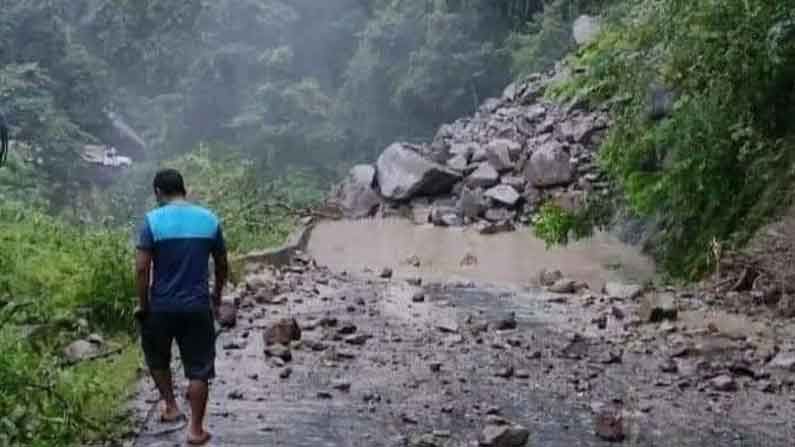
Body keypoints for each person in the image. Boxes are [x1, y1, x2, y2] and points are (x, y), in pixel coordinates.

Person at [135, 168, 228, 445]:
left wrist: (143, 305)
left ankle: (171, 406)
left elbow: (142, 269)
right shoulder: (209, 219)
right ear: (183, 189)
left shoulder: (151, 221)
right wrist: (216, 296)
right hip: (197, 306)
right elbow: (223, 265)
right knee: (199, 368)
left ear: (158, 192)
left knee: (157, 357)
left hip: (161, 306)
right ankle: (196, 430)